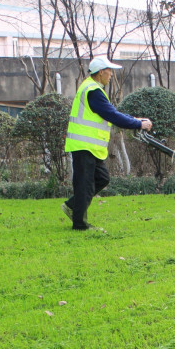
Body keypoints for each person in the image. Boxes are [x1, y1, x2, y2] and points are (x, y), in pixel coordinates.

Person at [62, 56, 153, 230]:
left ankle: (73, 205)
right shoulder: (93, 91)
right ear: (101, 72)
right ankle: (80, 224)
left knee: (102, 178)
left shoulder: (93, 88)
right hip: (84, 145)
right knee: (85, 184)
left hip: (91, 147)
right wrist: (139, 124)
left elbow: (111, 112)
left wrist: (136, 119)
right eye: (109, 71)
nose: (111, 75)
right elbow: (113, 116)